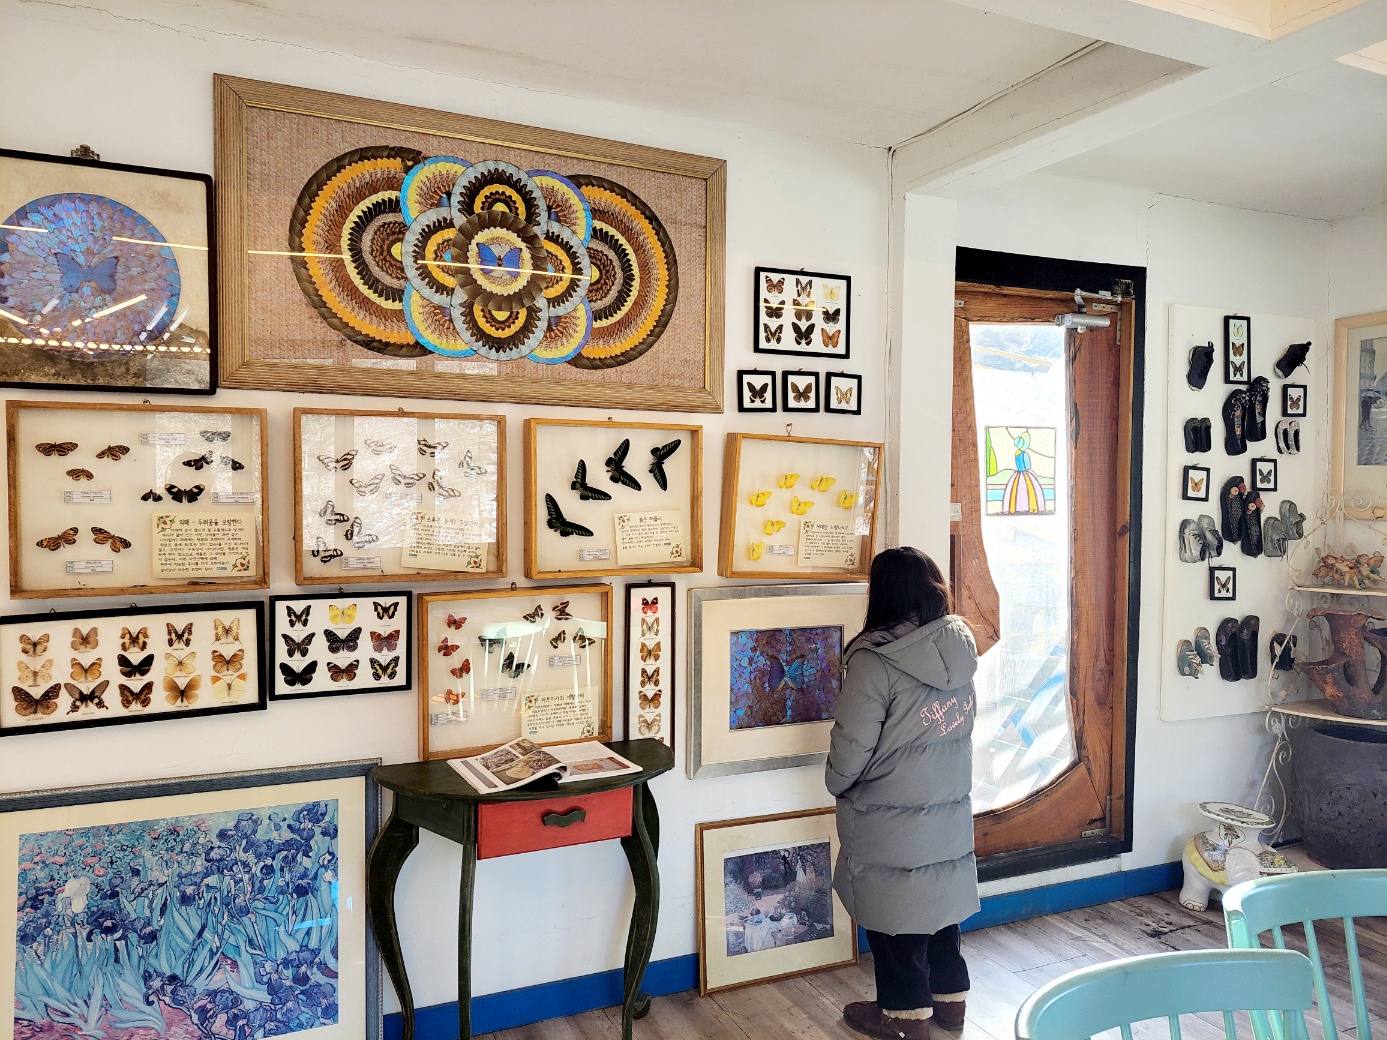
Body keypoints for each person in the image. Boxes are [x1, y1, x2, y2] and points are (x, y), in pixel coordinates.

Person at [826, 546, 980, 1040]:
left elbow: (850, 751)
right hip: (948, 811)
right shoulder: (958, 652)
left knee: (893, 921)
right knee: (940, 907)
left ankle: (903, 1018)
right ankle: (951, 1007)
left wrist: (836, 782)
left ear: (883, 595)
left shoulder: (875, 664)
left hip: (888, 815)